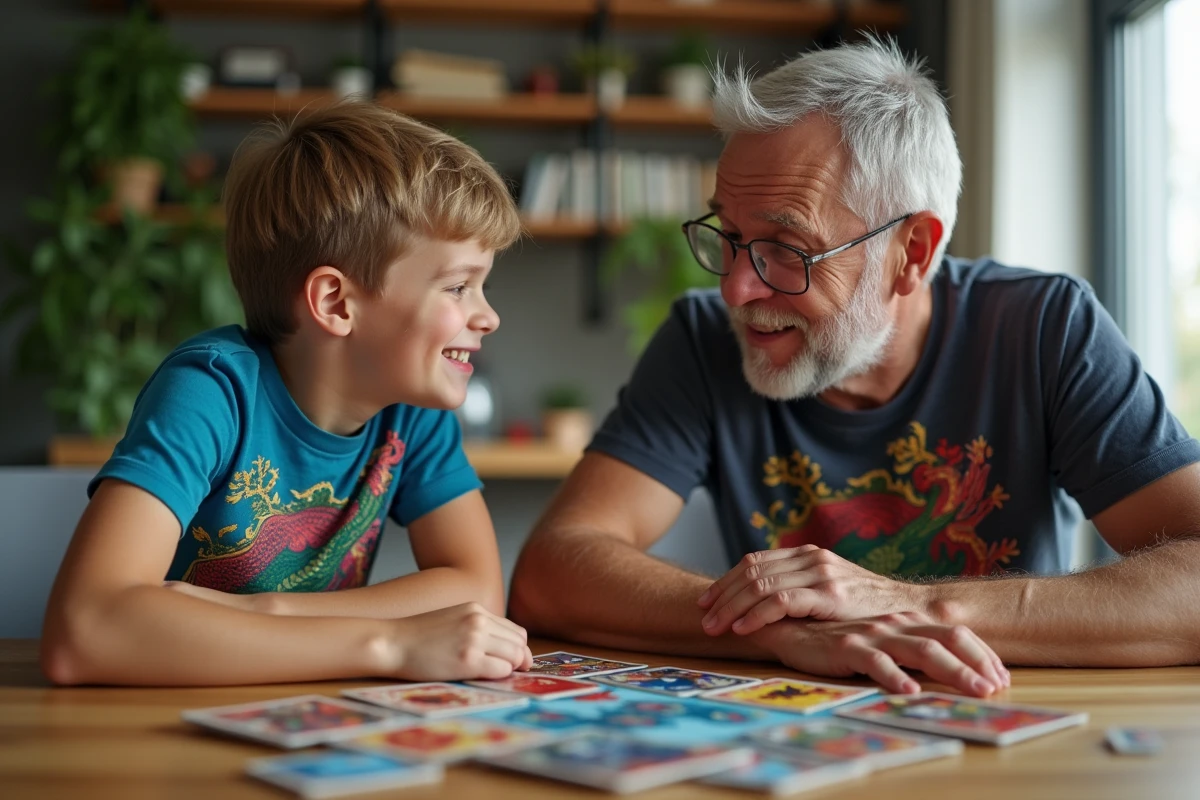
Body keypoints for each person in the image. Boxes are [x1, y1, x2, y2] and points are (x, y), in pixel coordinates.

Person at [509, 38, 1200, 698]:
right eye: (732, 236)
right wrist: (778, 627)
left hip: (1009, 715)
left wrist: (913, 605)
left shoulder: (1045, 329)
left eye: (786, 248)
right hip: (802, 725)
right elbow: (552, 571)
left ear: (913, 252)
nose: (735, 291)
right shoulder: (701, 341)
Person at [41, 103, 533, 686]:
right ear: (335, 303)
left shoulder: (411, 409)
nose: (489, 317)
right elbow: (85, 632)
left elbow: (476, 589)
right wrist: (390, 644)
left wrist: (265, 612)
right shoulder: (212, 391)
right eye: (458, 286)